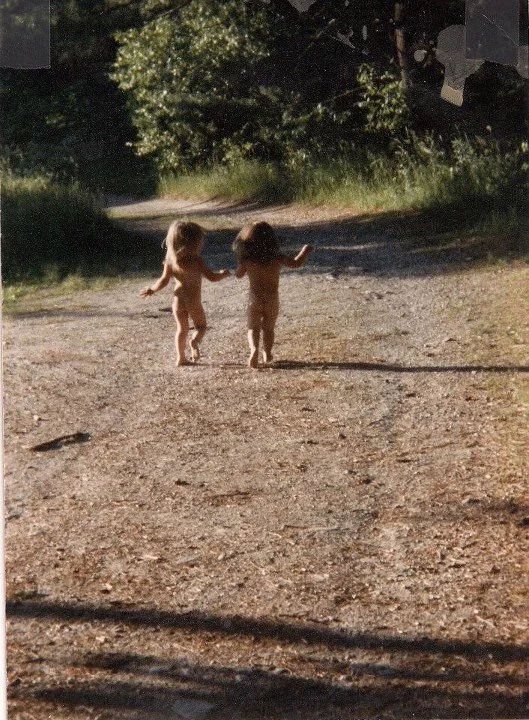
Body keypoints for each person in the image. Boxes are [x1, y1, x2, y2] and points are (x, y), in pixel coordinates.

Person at [140, 221, 230, 365]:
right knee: (201, 326)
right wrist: (222, 274)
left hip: (178, 301)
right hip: (193, 301)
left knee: (181, 329)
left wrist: (152, 289)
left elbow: (163, 281)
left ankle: (180, 358)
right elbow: (212, 277)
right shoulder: (197, 260)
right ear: (195, 243)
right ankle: (194, 342)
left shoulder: (171, 261)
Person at [233, 221, 313, 368]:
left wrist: (240, 263)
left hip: (254, 299)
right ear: (271, 240)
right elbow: (296, 263)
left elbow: (238, 275)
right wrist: (305, 252)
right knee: (268, 329)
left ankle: (254, 350)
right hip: (272, 299)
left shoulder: (247, 260)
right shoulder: (276, 257)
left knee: (253, 328)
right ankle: (267, 352)